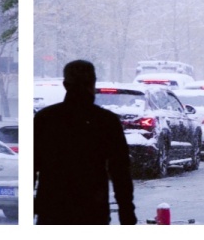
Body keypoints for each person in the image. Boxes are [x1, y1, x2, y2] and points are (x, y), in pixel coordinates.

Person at [34, 60, 136, 225]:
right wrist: (127, 213)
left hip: (52, 209)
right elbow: (120, 171)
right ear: (93, 84)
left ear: (65, 85)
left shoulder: (45, 119)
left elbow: (32, 166)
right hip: (93, 209)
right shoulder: (106, 121)